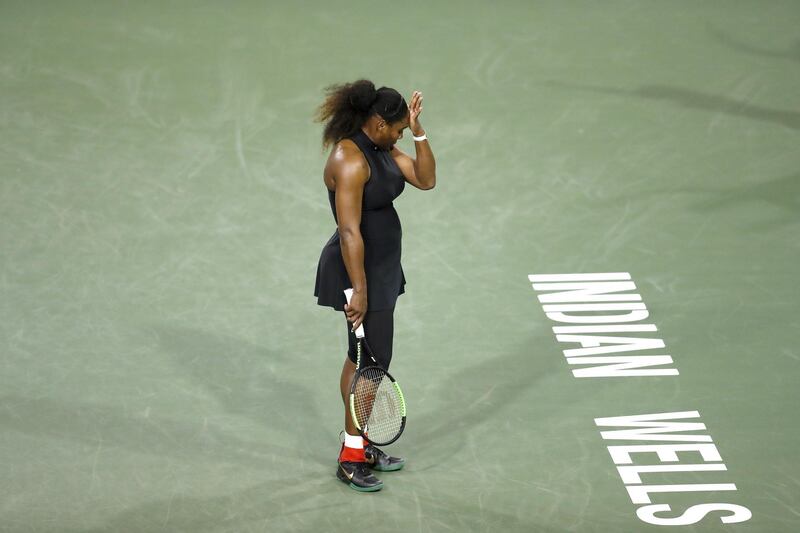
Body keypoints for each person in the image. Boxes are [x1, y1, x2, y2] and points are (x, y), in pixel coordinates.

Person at [313, 79, 436, 491]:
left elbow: (425, 179)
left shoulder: (382, 147)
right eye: (399, 128)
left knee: (360, 359)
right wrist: (360, 291)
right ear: (378, 122)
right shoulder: (350, 160)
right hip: (358, 272)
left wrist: (418, 131)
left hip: (381, 269)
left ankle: (360, 444)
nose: (400, 135)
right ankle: (351, 457)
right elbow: (349, 232)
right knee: (372, 364)